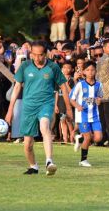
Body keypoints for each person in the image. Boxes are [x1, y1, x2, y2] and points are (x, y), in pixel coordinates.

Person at [5, 41, 73, 175]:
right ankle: (33, 166)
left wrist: (69, 108)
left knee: (44, 126)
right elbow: (17, 87)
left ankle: (49, 161)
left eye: (40, 55)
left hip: (46, 104)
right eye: (34, 55)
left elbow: (64, 88)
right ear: (30, 53)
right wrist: (10, 110)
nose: (37, 58)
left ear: (46, 54)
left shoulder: (53, 67)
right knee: (28, 145)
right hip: (28, 106)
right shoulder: (25, 66)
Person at [70, 61, 103, 167]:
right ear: (84, 71)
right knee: (88, 137)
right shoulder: (80, 84)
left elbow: (99, 97)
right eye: (88, 70)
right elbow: (71, 98)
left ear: (96, 71)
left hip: (95, 115)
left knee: (98, 138)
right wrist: (77, 106)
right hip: (83, 115)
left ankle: (80, 139)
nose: (90, 72)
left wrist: (99, 100)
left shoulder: (99, 84)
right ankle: (83, 160)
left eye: (92, 70)